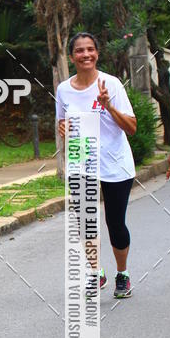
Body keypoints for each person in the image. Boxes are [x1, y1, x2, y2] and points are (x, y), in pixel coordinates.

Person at [56, 32, 137, 298]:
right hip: (81, 161)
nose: (86, 54)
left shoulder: (111, 84)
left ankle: (122, 274)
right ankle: (95, 272)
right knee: (85, 224)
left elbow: (132, 128)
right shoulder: (64, 89)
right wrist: (63, 128)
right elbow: (61, 124)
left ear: (97, 54)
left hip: (114, 163)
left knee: (115, 223)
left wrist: (109, 106)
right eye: (80, 50)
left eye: (90, 49)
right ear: (72, 56)